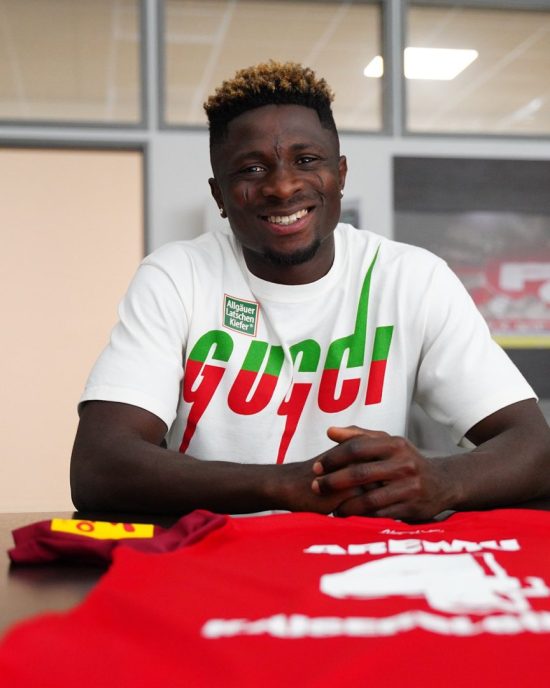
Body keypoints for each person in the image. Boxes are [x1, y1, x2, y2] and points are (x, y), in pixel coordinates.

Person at [70, 61, 550, 521]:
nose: (283, 187)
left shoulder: (411, 278)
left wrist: (439, 479)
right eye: (251, 169)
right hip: (214, 553)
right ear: (219, 196)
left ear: (340, 175)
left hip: (364, 558)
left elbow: (534, 447)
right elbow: (99, 464)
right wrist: (282, 485)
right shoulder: (177, 276)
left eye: (306, 160)